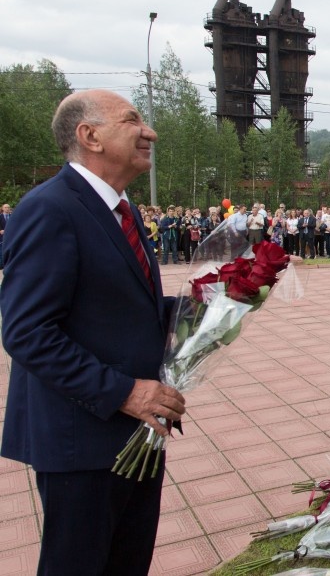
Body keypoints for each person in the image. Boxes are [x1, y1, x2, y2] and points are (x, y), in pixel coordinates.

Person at [0, 90, 186, 574]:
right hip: (82, 439)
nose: (150, 132)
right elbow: (27, 332)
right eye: (133, 120)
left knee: (126, 563)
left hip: (135, 433)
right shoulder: (50, 209)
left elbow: (126, 309)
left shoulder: (120, 210)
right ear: (90, 136)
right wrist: (125, 392)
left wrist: (227, 296)